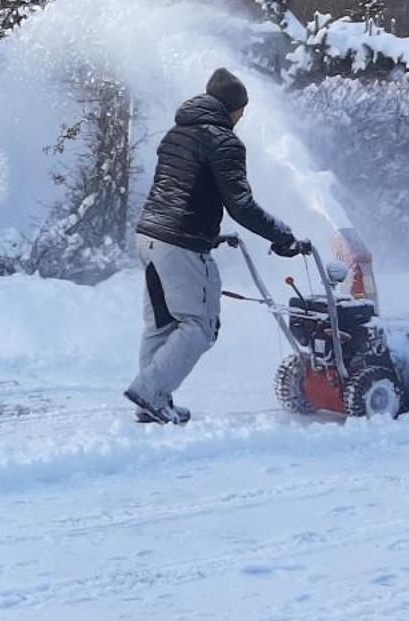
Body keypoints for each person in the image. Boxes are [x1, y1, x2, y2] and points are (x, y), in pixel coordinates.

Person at [126, 67, 307, 424]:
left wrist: (209, 233)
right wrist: (282, 236)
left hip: (150, 237)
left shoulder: (177, 134)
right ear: (232, 107)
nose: (243, 116)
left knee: (162, 325)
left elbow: (183, 191)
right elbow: (241, 205)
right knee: (199, 326)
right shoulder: (224, 142)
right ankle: (148, 391)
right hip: (179, 243)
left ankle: (152, 401)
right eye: (242, 109)